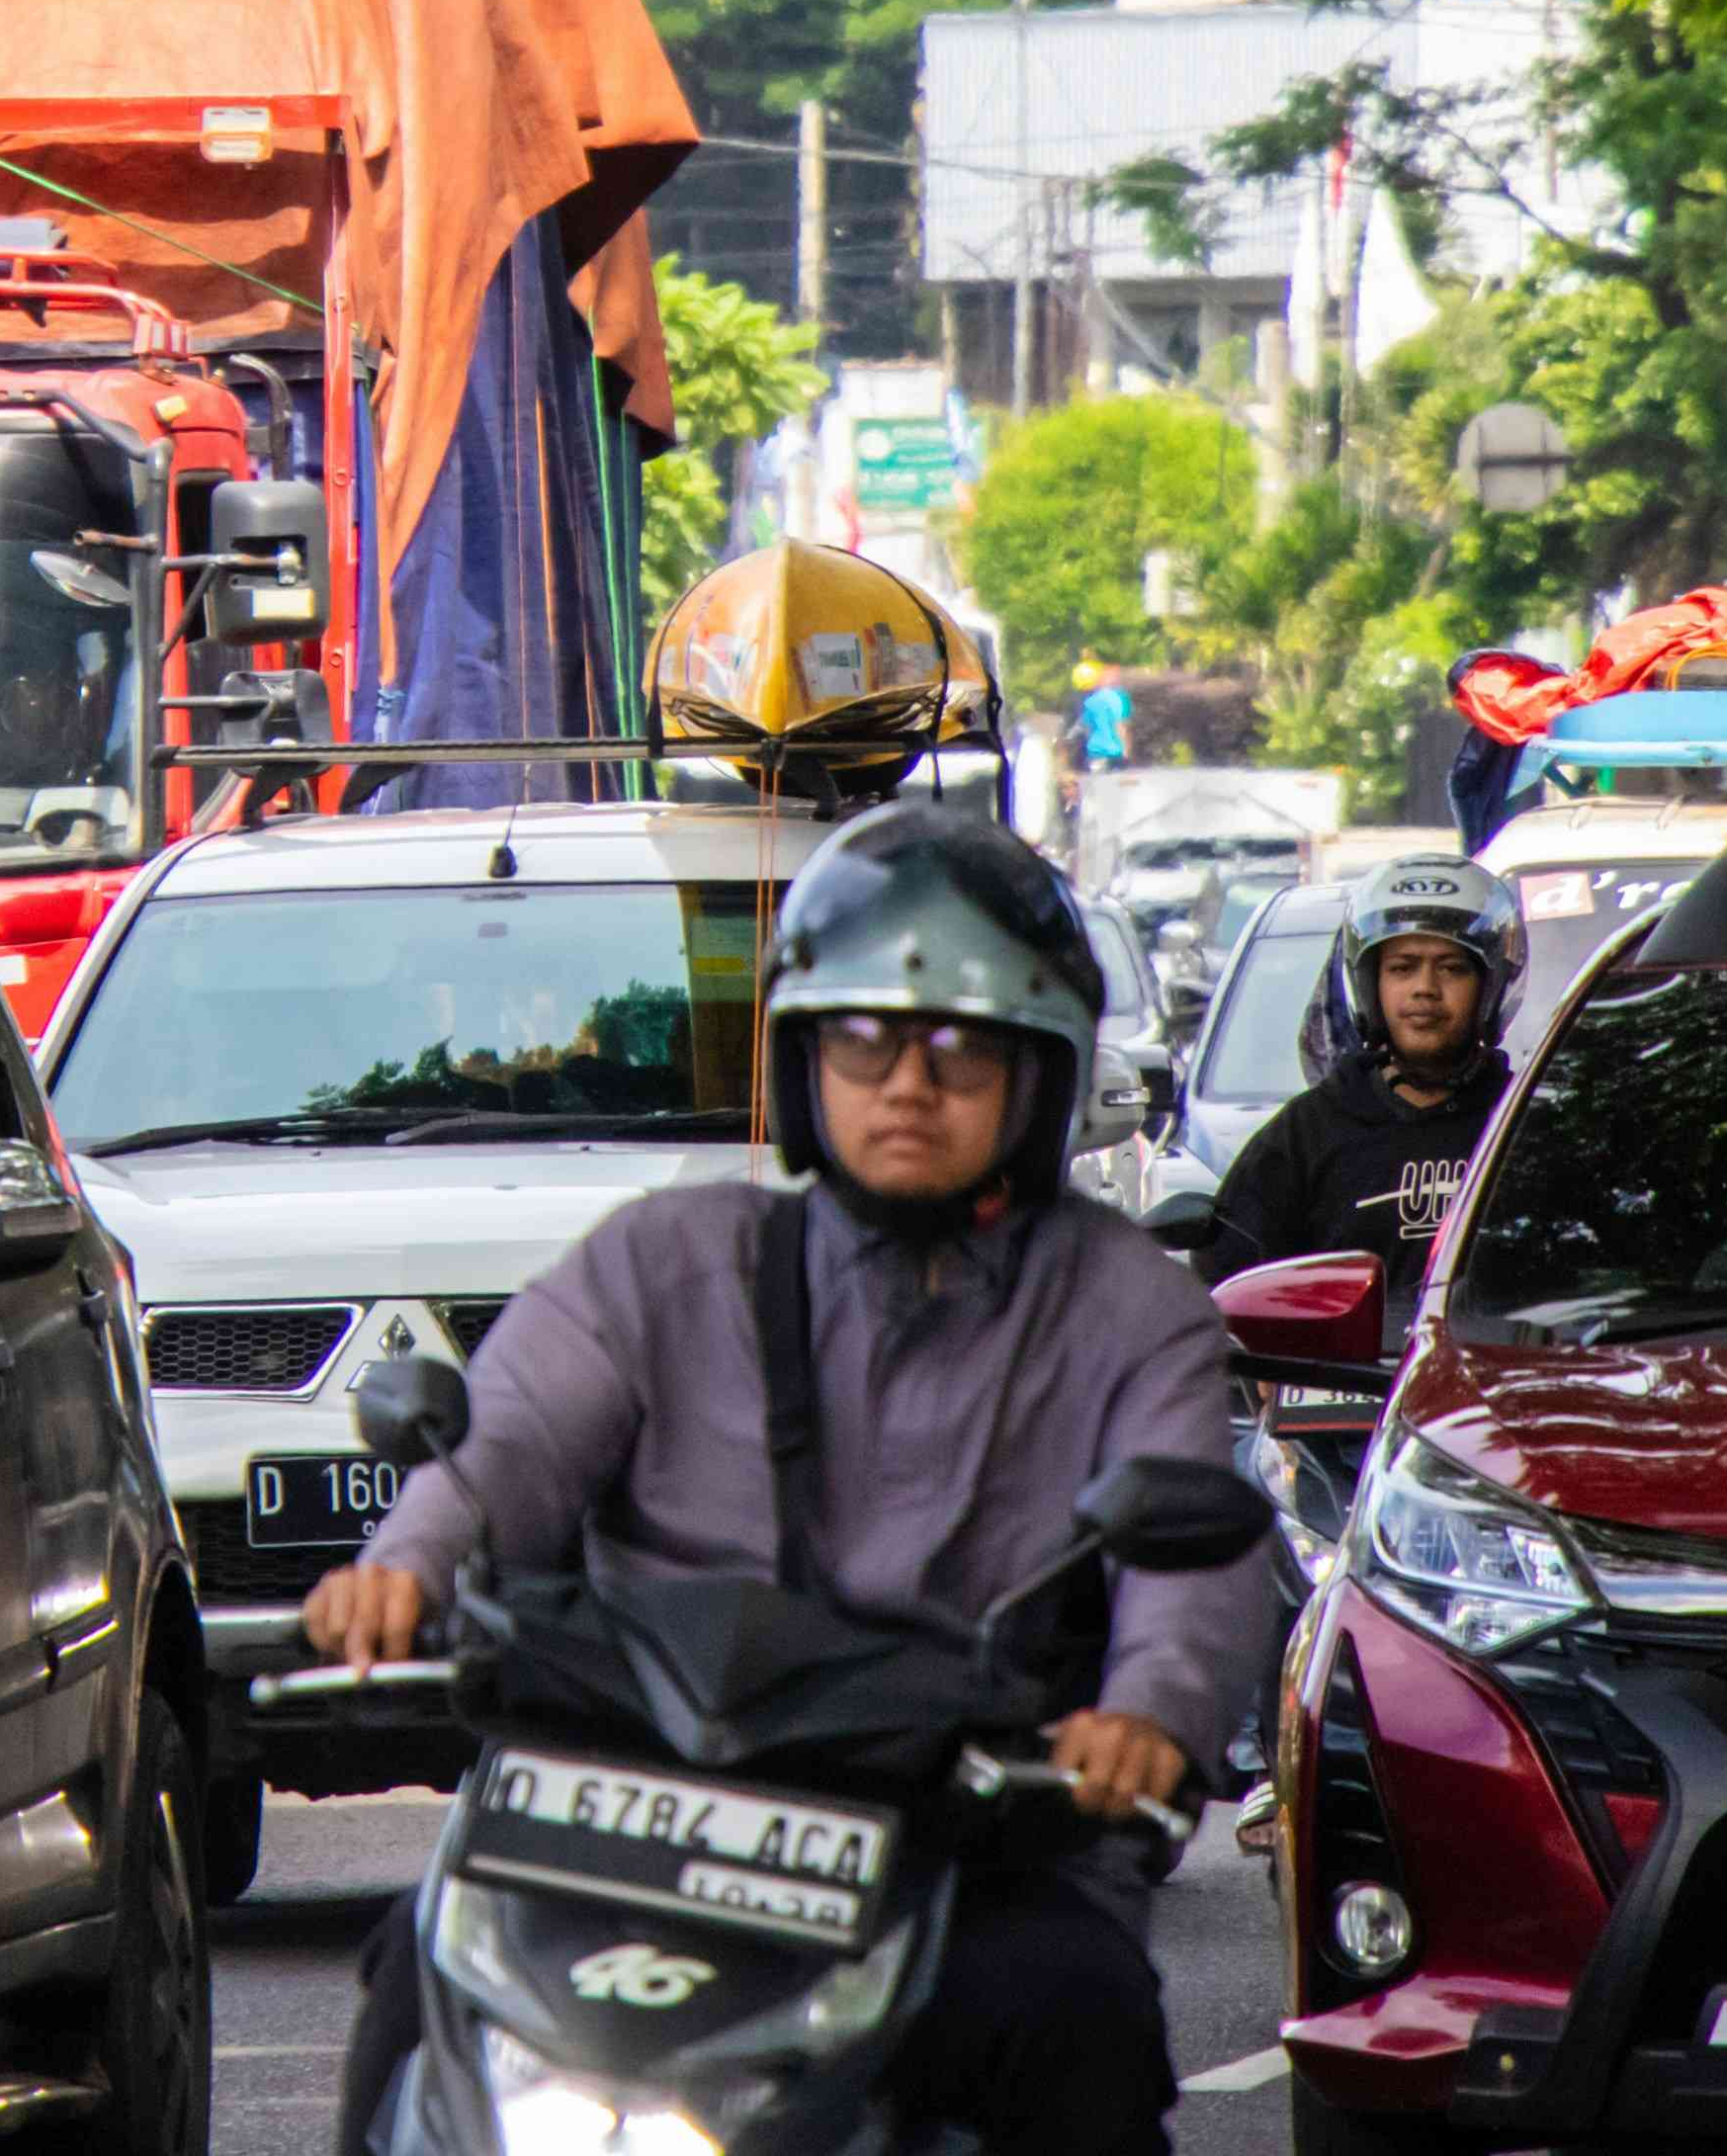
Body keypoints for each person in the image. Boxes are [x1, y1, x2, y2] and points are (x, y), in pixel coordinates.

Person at [299, 802, 1257, 2156]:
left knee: (1078, 2018)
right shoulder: (664, 1260)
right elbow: (505, 1440)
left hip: (975, 1832)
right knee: (422, 1970)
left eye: (959, 1047)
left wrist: (1146, 1716)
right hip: (634, 1809)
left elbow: (1189, 1559)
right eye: (863, 1039)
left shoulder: (1130, 1310)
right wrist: (402, 1568)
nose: (907, 1083)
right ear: (809, 1066)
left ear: (1036, 1077)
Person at [1196, 853, 1521, 1317]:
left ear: (1491, 985)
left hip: (1484, 1382)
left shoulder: (1524, 1124)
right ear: (1369, 984)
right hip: (1345, 1385)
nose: (1425, 988)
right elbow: (1224, 1283)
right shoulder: (1305, 1136)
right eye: (1402, 967)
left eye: (1451, 968)